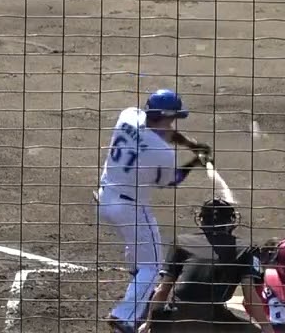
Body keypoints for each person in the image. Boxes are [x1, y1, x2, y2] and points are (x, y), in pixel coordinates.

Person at [97, 89, 214, 333]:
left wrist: (191, 145)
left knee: (137, 245)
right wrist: (195, 160)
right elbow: (172, 181)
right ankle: (125, 317)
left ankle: (137, 279)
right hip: (131, 208)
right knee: (153, 266)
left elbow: (162, 131)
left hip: (105, 196)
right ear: (168, 116)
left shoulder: (128, 115)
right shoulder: (162, 153)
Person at [137, 198, 273, 333]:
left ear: (201, 219)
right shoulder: (246, 248)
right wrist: (267, 328)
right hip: (212, 316)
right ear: (231, 221)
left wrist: (148, 323)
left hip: (177, 315)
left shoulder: (181, 242)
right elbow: (250, 298)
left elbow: (162, 290)